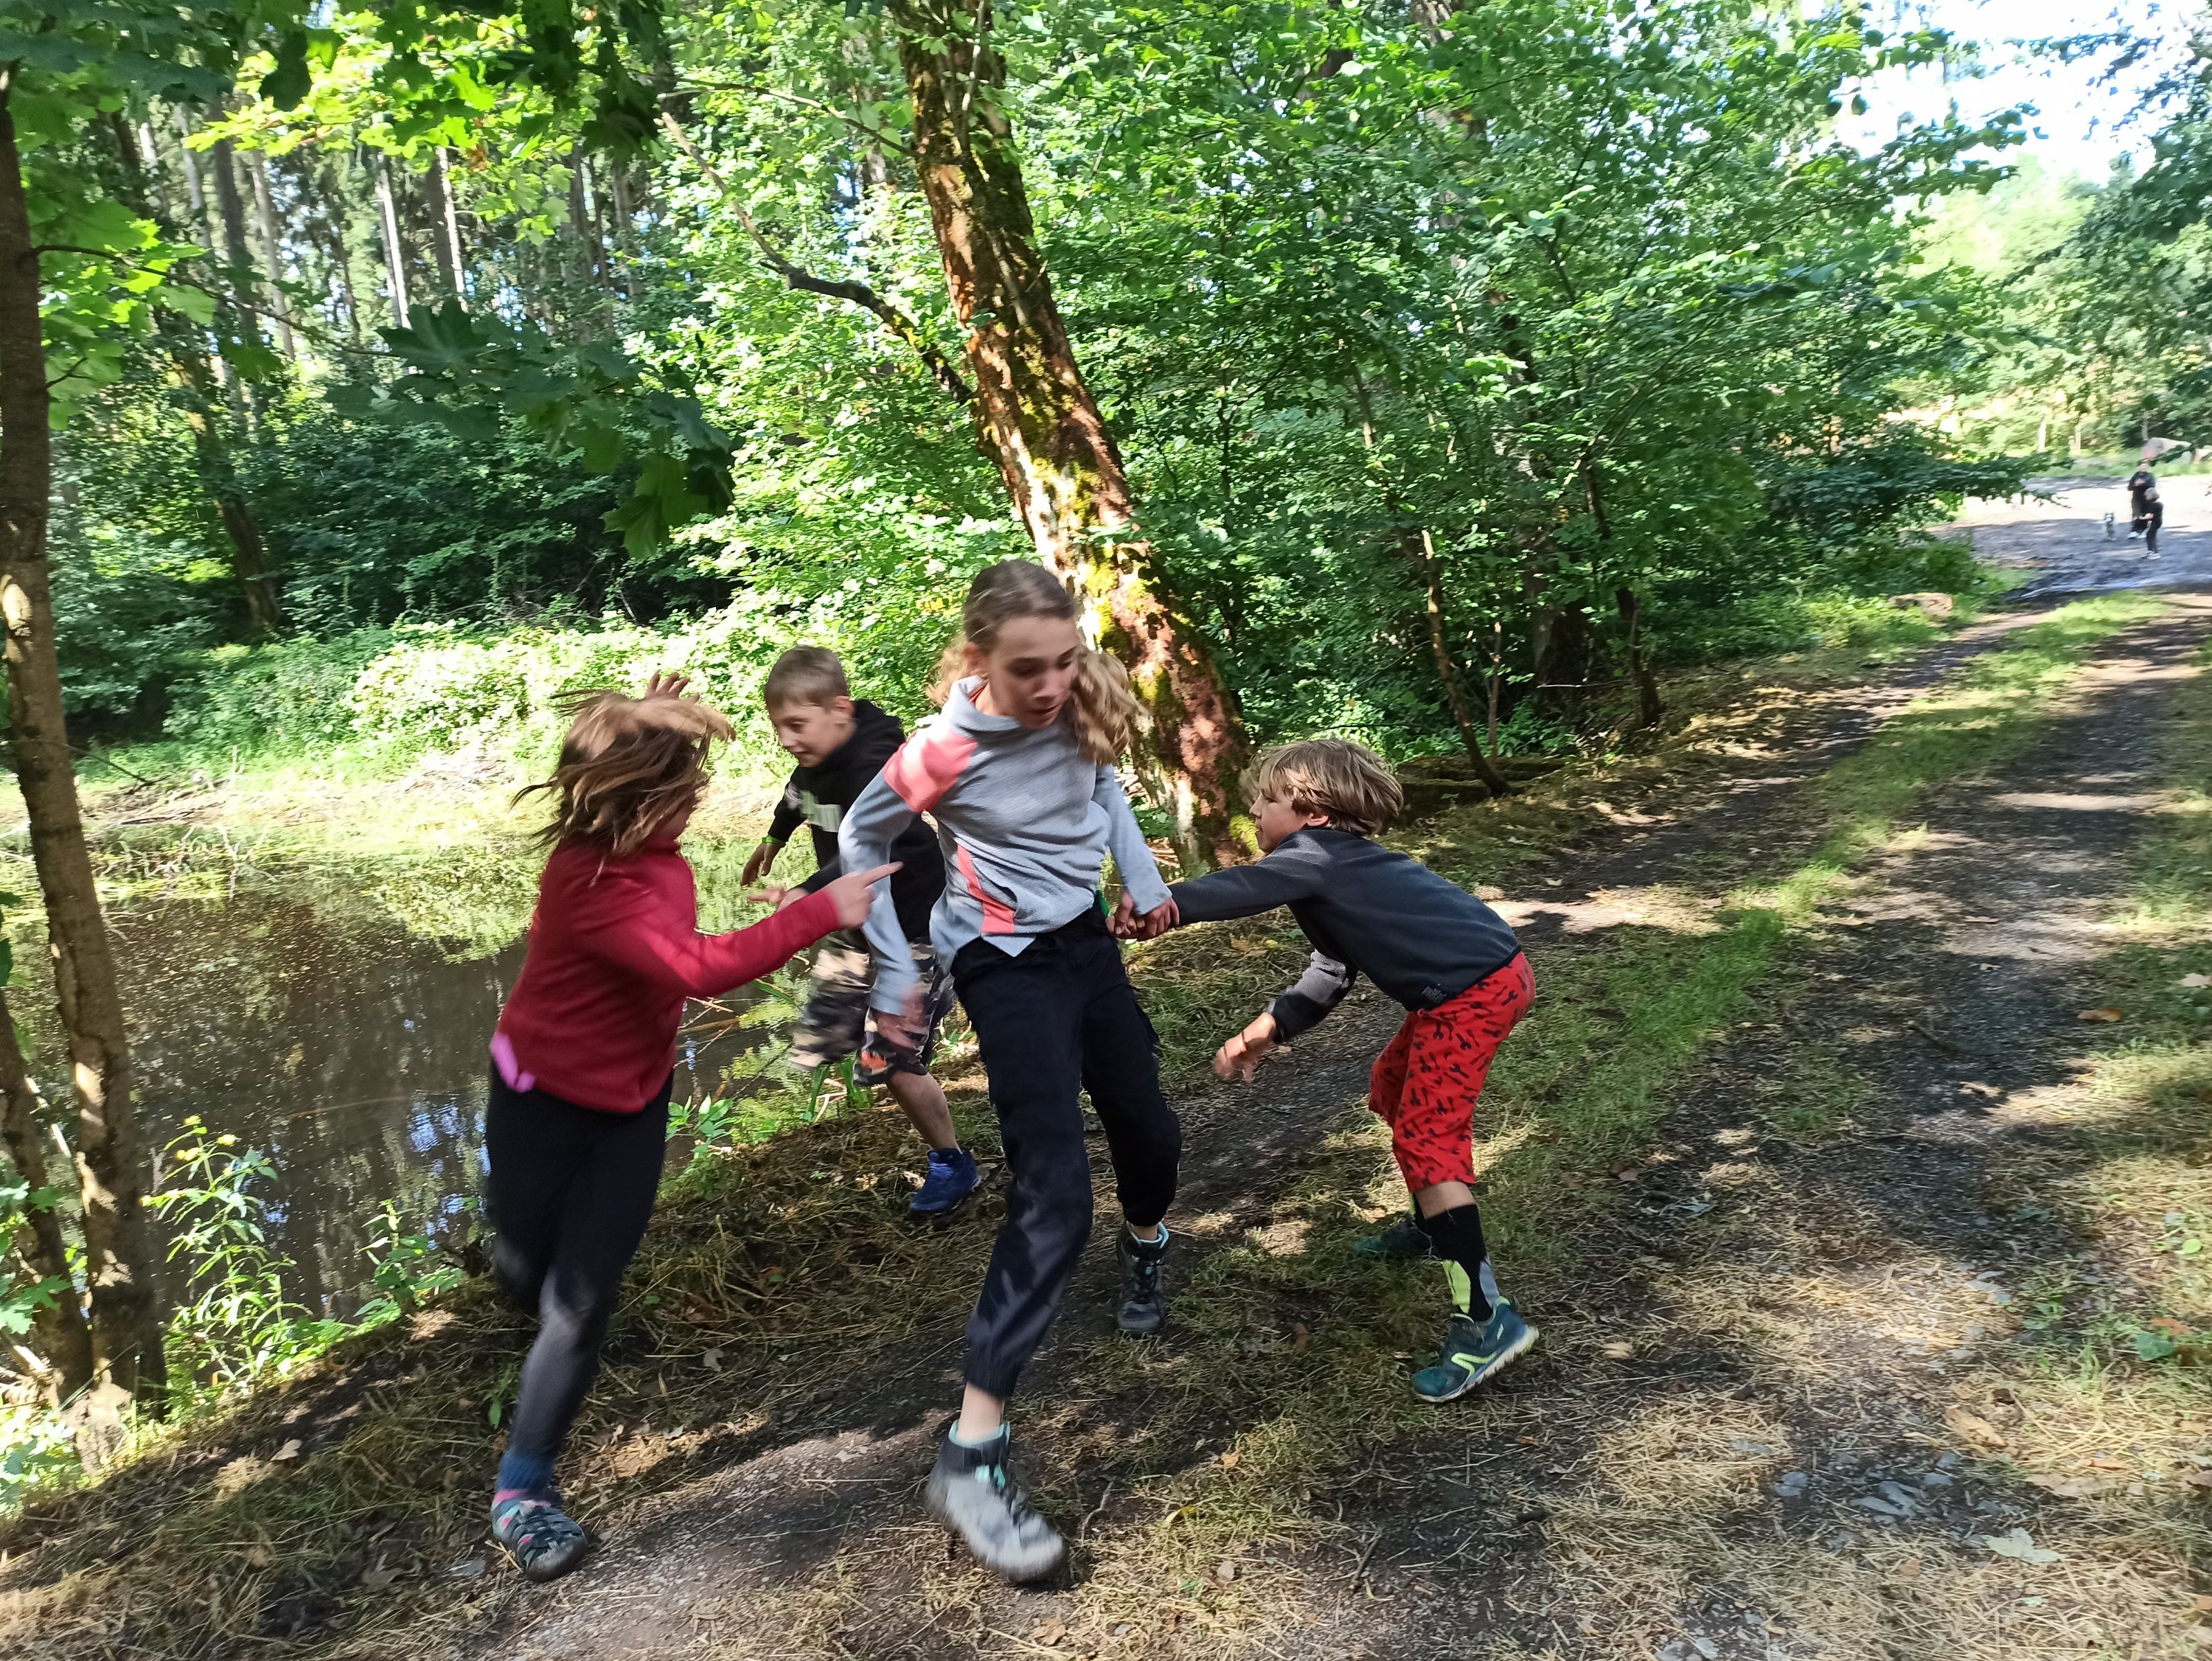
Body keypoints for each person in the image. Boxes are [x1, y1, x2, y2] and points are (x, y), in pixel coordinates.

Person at [484, 676, 896, 1583]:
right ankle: (536, 1306)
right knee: (524, 1276)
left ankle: (522, 1490)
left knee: (579, 1300)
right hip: (538, 1099)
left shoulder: (659, 858)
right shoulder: (588, 880)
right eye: (684, 788)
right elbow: (699, 967)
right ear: (634, 800)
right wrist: (820, 910)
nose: (698, 800)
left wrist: (647, 714)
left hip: (630, 1105)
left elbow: (680, 953)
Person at [839, 560, 1182, 1582]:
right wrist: (895, 970)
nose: (1050, 685)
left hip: (1086, 942)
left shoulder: (1080, 695)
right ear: (978, 657)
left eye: (1064, 661)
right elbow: (862, 831)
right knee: (1054, 1192)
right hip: (1002, 959)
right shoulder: (943, 750)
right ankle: (971, 1453)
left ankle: (1148, 1243)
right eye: (1027, 668)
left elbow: (1104, 782)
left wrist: (1142, 878)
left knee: (1151, 1133)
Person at [1118, 737, 1537, 1405]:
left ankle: (1487, 1320)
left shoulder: (1314, 856)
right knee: (1394, 1089)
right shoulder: (1336, 867)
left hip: (1472, 994)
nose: (1255, 810)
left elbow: (1242, 887)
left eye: (1267, 799)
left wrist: (1159, 902)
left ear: (1313, 813)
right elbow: (1333, 969)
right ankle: (1433, 1226)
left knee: (1428, 1140)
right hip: (1483, 980)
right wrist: (1267, 1030)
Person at [741, 646, 980, 1214]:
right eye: (778, 728)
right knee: (822, 1040)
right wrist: (774, 837)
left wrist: (804, 893)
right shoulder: (818, 753)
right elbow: (797, 791)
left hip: (915, 926)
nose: (786, 740)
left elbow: (873, 850)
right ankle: (884, 1042)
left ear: (840, 710)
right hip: (859, 925)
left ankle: (952, 1163)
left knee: (890, 1060)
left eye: (796, 725)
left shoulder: (875, 766)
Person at [2128, 464, 2156, 538]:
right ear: (2138, 467)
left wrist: (2143, 483)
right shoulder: (2135, 476)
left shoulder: (2150, 476)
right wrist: (2135, 484)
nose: (2144, 467)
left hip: (2147, 498)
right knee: (2136, 514)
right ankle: (2134, 530)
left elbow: (2152, 486)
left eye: (2145, 466)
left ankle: (2143, 530)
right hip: (2136, 499)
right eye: (2142, 466)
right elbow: (2130, 488)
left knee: (2145, 514)